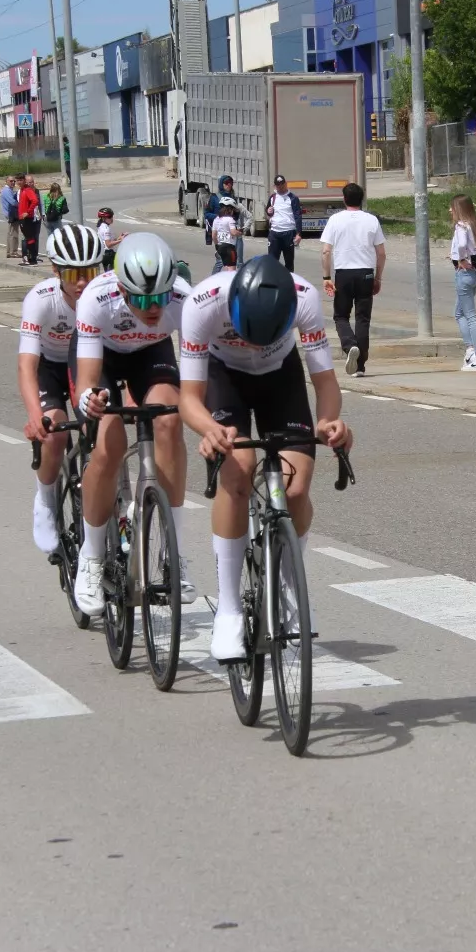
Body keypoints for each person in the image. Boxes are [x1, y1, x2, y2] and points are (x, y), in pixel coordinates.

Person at [179, 255, 350, 662]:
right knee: (237, 475)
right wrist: (209, 431)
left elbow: (325, 382)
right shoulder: (203, 304)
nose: (254, 344)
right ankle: (230, 609)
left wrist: (328, 422)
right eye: (248, 334)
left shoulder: (304, 298)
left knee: (296, 486)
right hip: (225, 378)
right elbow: (188, 397)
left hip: (280, 376)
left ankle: (290, 583)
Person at [72, 232, 197, 614]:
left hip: (150, 355)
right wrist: (88, 401)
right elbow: (89, 377)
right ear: (123, 290)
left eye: (159, 296)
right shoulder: (97, 298)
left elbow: (196, 376)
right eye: (142, 299)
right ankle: (90, 559)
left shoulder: (182, 299)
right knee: (107, 448)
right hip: (105, 358)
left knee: (170, 418)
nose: (153, 306)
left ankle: (174, 554)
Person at [18, 223, 105, 553]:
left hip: (86, 365)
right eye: (72, 275)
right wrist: (34, 416)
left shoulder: (104, 296)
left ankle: (119, 500)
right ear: (56, 271)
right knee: (54, 431)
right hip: (49, 369)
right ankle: (46, 499)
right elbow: (26, 365)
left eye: (90, 272)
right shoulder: (41, 300)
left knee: (106, 428)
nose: (82, 283)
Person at [319, 182, 385, 377]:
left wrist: (326, 277)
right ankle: (360, 366)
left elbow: (325, 251)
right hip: (366, 272)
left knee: (341, 316)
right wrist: (378, 277)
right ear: (362, 199)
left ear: (344, 199)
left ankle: (350, 345)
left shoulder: (335, 220)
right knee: (363, 318)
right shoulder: (371, 220)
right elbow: (381, 253)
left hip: (344, 273)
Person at [450, 194, 476, 371]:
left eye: (452, 208)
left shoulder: (461, 226)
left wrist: (461, 259)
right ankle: (470, 351)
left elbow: (461, 245)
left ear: (459, 209)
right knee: (459, 313)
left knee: (469, 315)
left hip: (465, 274)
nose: (450, 211)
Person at [265, 174, 303, 271]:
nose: (280, 187)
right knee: (272, 262)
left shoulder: (293, 198)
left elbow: (298, 215)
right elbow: (269, 211)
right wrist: (268, 212)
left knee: (289, 262)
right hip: (274, 233)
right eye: (278, 185)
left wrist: (299, 234)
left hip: (288, 233)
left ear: (286, 184)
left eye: (282, 184)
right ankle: (273, 283)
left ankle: (289, 283)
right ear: (275, 186)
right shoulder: (273, 197)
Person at [204, 174, 245, 262]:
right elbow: (206, 214)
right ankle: (216, 276)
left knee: (237, 260)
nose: (229, 185)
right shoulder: (214, 197)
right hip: (221, 232)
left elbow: (236, 214)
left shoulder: (233, 197)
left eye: (231, 183)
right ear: (221, 184)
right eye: (226, 183)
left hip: (232, 231)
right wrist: (219, 217)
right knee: (220, 262)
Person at [18, 174, 42, 265]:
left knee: (31, 238)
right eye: (18, 180)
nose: (30, 183)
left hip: (30, 217)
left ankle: (32, 258)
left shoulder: (28, 190)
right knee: (28, 238)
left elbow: (36, 201)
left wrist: (28, 212)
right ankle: (28, 257)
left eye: (31, 182)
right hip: (24, 217)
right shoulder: (22, 190)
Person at [210, 198, 239, 273]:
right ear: (230, 209)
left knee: (226, 270)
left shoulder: (216, 219)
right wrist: (239, 232)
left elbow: (213, 235)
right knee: (231, 271)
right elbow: (233, 232)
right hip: (230, 247)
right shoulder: (230, 219)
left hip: (221, 247)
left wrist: (217, 245)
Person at [1, 175, 22, 258]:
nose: (13, 182)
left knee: (11, 233)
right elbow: (13, 202)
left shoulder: (9, 190)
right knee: (14, 234)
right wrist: (22, 205)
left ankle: (10, 252)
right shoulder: (6, 190)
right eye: (11, 181)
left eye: (14, 181)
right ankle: (13, 252)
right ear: (6, 181)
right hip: (11, 214)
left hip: (11, 214)